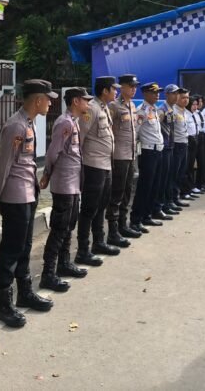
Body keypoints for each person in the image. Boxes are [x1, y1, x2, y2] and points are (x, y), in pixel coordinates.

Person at [0, 79, 58, 327]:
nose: (50, 103)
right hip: (15, 197)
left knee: (25, 246)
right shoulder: (16, 125)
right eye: (48, 99)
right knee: (11, 250)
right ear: (37, 100)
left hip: (28, 194)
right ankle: (4, 304)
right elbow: (4, 164)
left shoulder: (29, 122)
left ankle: (25, 292)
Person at [39, 87, 92, 292]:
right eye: (85, 100)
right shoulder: (65, 123)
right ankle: (48, 274)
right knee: (59, 229)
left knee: (69, 226)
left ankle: (64, 263)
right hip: (63, 184)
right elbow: (53, 152)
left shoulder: (73, 121)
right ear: (76, 101)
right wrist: (46, 174)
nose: (88, 104)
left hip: (73, 184)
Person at [76, 76, 122, 266]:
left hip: (105, 165)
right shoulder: (92, 108)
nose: (116, 92)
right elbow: (80, 137)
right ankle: (83, 250)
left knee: (102, 205)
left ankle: (99, 242)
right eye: (114, 89)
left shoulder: (104, 108)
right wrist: (79, 167)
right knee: (89, 208)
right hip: (93, 165)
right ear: (105, 91)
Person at [105, 74, 142, 246]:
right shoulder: (114, 106)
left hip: (131, 154)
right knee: (117, 194)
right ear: (122, 87)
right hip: (119, 156)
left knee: (127, 192)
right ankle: (112, 232)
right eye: (131, 86)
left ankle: (122, 225)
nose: (134, 89)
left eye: (135, 86)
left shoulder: (132, 105)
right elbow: (108, 129)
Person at [129, 82, 164, 233]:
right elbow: (135, 133)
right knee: (145, 187)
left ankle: (147, 215)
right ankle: (136, 220)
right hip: (148, 152)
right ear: (145, 94)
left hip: (158, 151)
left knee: (154, 186)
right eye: (154, 92)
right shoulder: (141, 111)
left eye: (158, 92)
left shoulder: (154, 109)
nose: (157, 95)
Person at [153, 84, 182, 220]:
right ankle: (159, 206)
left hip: (171, 147)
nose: (176, 96)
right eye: (174, 93)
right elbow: (156, 128)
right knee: (163, 179)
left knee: (169, 177)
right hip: (163, 148)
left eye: (177, 94)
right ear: (167, 95)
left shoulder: (172, 109)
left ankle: (167, 203)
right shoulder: (162, 110)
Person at [171, 88, 191, 206]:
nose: (185, 100)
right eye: (183, 97)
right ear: (177, 97)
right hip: (176, 145)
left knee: (181, 173)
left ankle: (177, 197)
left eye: (187, 97)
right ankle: (172, 199)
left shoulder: (186, 112)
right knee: (174, 173)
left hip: (184, 143)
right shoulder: (173, 111)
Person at [182, 95, 203, 199]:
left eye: (196, 104)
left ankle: (191, 187)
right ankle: (185, 190)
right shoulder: (185, 115)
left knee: (191, 166)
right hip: (188, 141)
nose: (195, 106)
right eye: (193, 104)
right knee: (187, 167)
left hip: (195, 139)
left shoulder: (194, 114)